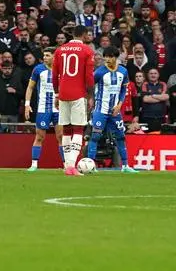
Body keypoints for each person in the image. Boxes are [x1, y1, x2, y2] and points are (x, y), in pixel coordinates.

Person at [52, 25, 96, 176]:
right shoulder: (87, 51)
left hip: (63, 93)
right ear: (84, 35)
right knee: (78, 129)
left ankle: (66, 164)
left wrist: (57, 94)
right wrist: (90, 96)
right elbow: (89, 77)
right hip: (78, 94)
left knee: (66, 129)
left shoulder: (60, 50)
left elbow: (54, 74)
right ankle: (71, 166)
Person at [87, 47, 138, 172]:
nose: (107, 59)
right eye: (106, 56)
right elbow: (88, 86)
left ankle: (125, 166)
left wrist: (119, 105)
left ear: (116, 57)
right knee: (95, 137)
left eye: (111, 57)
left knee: (121, 137)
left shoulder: (123, 71)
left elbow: (123, 90)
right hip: (100, 110)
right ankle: (91, 165)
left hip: (115, 111)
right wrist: (90, 99)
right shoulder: (99, 72)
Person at [24, 48, 60, 171]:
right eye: (44, 55)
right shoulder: (38, 69)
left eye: (48, 55)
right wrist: (27, 105)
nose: (45, 57)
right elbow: (30, 87)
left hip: (59, 108)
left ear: (54, 57)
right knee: (39, 137)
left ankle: (67, 165)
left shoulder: (61, 69)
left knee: (61, 137)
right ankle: (34, 164)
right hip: (43, 107)